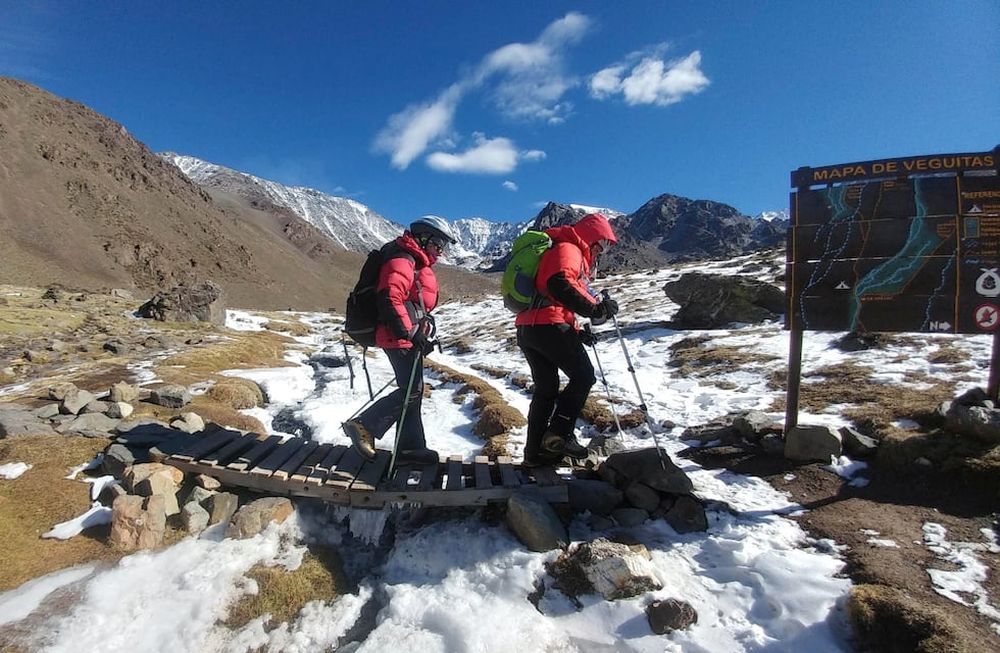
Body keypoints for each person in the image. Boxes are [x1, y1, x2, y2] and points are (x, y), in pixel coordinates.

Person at [343, 215, 457, 464]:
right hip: (397, 336)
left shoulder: (414, 260)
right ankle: (364, 425)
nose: (440, 249)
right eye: (438, 242)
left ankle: (410, 449)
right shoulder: (402, 258)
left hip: (405, 336)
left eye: (443, 244)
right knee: (412, 392)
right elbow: (389, 297)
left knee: (411, 392)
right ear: (423, 237)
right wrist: (408, 333)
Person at [515, 213, 619, 467]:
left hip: (530, 328)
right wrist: (595, 310)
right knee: (584, 376)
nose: (602, 250)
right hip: (549, 325)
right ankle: (559, 434)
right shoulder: (570, 248)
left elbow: (555, 293)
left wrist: (576, 332)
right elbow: (558, 284)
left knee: (546, 390)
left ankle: (536, 455)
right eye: (602, 244)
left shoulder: (562, 247)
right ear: (592, 237)